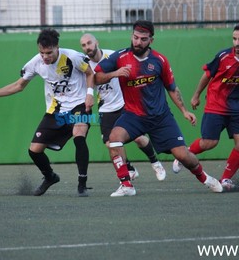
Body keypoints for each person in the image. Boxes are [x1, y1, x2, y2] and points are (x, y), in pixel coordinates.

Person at [94, 20, 223, 197]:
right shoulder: (119, 57)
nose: (138, 42)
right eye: (135, 37)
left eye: (143, 39)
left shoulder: (160, 61)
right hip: (133, 115)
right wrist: (114, 74)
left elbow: (172, 88)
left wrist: (184, 111)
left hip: (161, 118)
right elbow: (97, 76)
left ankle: (206, 178)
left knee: (184, 156)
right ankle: (126, 185)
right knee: (114, 139)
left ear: (151, 41)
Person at [0, 28, 94, 197]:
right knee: (34, 150)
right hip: (56, 110)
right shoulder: (36, 63)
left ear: (57, 47)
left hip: (80, 105)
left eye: (49, 53)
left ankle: (82, 184)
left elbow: (90, 73)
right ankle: (50, 177)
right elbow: (18, 86)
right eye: (41, 52)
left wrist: (90, 95)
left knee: (79, 135)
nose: (45, 57)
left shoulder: (72, 57)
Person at [80, 33, 166, 182]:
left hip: (124, 103)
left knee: (139, 138)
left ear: (96, 42)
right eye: (84, 45)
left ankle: (155, 162)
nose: (87, 47)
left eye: (89, 43)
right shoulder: (85, 65)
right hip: (106, 107)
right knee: (110, 143)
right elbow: (90, 83)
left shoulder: (112, 56)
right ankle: (130, 169)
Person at [172, 25, 239, 190]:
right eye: (234, 39)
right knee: (210, 142)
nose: (237, 43)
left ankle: (225, 179)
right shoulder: (223, 57)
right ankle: (184, 155)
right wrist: (196, 95)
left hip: (236, 108)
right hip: (216, 105)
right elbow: (207, 74)